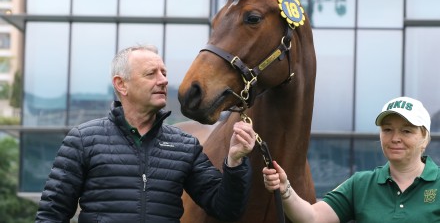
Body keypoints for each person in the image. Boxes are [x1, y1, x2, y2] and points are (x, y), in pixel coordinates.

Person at [36, 45, 256, 222]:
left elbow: (225, 209)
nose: (163, 80)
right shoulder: (83, 140)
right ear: (121, 85)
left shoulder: (185, 146)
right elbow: (51, 215)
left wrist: (235, 162)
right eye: (151, 74)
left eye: (164, 73)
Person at [263, 96, 439, 223]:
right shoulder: (361, 184)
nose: (395, 138)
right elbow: (313, 217)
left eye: (406, 131)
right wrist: (285, 189)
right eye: (387, 130)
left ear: (425, 138)